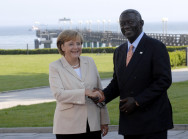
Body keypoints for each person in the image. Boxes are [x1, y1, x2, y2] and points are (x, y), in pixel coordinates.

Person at [96, 9, 173, 139]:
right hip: (130, 121)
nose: (126, 26)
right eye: (122, 23)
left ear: (141, 23)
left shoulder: (156, 46)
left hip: (153, 121)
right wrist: (101, 96)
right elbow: (118, 82)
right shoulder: (119, 52)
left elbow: (163, 80)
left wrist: (137, 101)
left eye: (130, 22)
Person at [49, 30, 110, 139]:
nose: (76, 47)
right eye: (71, 44)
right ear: (62, 47)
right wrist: (85, 92)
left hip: (93, 124)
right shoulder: (55, 67)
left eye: (78, 43)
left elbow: (100, 91)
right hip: (67, 126)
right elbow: (58, 94)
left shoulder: (90, 62)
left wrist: (104, 120)